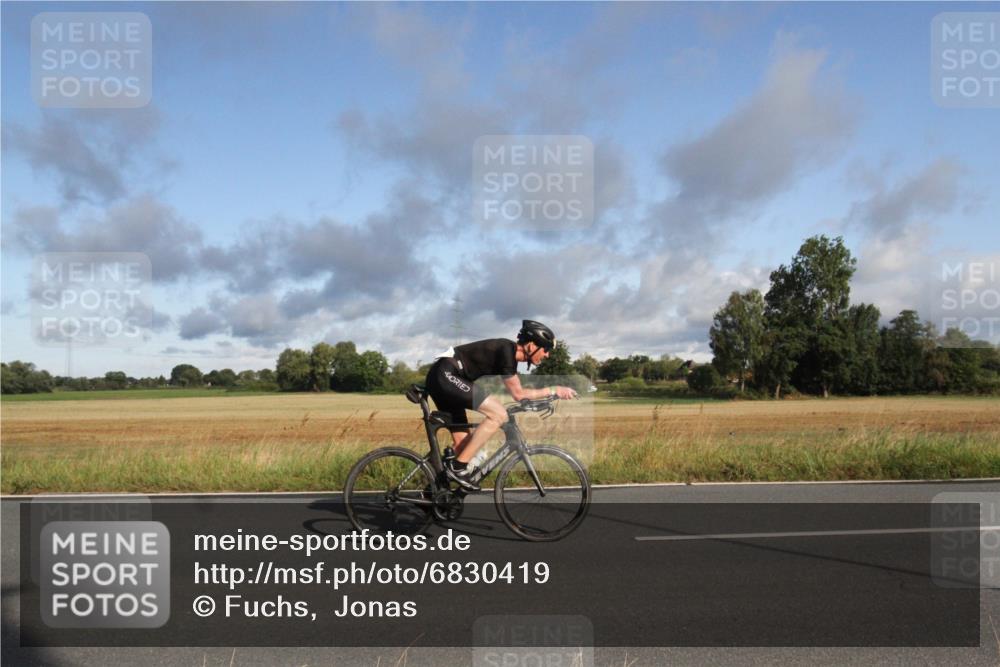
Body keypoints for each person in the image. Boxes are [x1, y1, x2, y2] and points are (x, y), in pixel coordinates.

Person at [424, 320, 577, 491]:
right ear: (532, 345)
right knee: (498, 414)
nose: (547, 355)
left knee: (463, 446)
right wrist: (554, 390)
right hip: (446, 375)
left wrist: (542, 400)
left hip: (444, 378)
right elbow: (518, 394)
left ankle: (432, 493)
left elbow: (520, 393)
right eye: (546, 349)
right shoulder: (506, 350)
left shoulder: (509, 355)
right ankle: (457, 469)